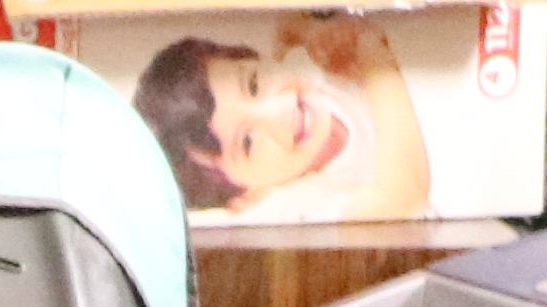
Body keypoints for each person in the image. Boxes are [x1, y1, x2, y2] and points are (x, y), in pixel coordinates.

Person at [128, 18, 430, 222]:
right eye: (247, 142)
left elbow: (289, 26)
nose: (280, 110)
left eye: (254, 84)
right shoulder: (303, 207)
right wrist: (375, 58)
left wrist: (311, 31)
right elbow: (403, 196)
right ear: (248, 197)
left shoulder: (307, 67)